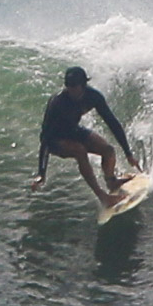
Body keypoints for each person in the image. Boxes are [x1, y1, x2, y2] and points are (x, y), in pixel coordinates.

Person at [29, 66, 140, 208]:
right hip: (54, 140)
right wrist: (41, 174)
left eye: (75, 87)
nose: (71, 90)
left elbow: (112, 123)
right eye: (69, 87)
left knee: (108, 150)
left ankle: (111, 181)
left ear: (83, 85)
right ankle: (103, 197)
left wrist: (128, 153)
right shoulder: (57, 102)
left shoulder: (93, 97)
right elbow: (45, 140)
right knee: (79, 150)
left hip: (72, 131)